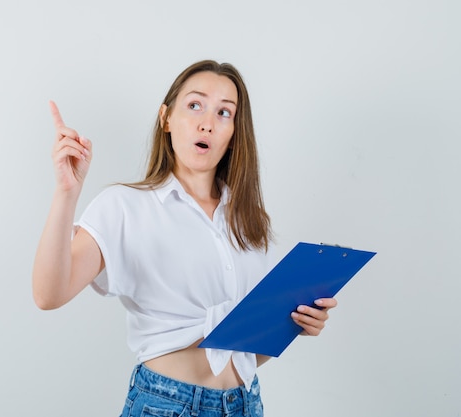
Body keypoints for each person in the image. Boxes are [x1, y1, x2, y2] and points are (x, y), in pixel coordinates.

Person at [32, 60, 337, 417]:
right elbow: (48, 294)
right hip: (167, 405)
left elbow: (245, 353)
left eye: (225, 112)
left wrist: (295, 322)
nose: (207, 121)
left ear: (235, 132)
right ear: (166, 119)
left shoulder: (248, 221)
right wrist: (67, 193)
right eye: (195, 105)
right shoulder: (125, 207)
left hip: (244, 404)